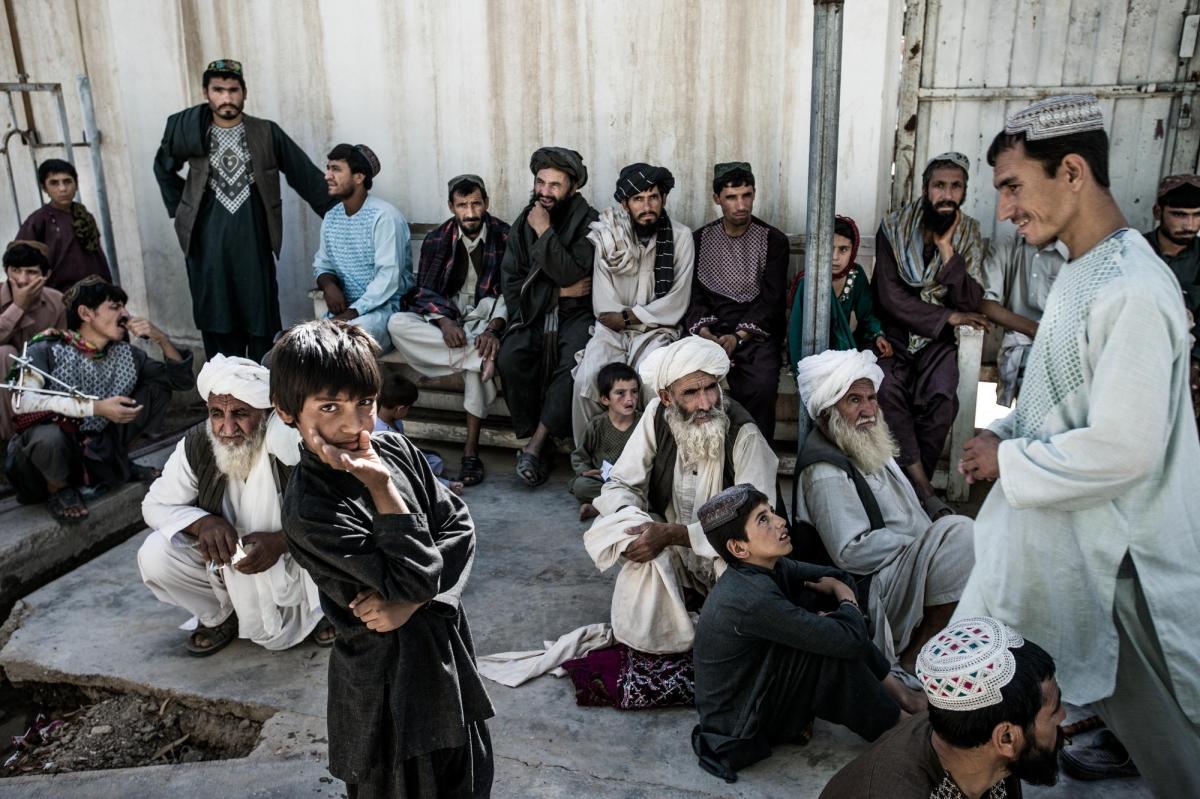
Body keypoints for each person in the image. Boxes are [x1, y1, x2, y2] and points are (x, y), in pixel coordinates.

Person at [958, 94, 1200, 796]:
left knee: (1180, 741)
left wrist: (1010, 460)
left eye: (1012, 186)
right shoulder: (1082, 270)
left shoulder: (1131, 285)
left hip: (1124, 562)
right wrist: (1001, 434)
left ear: (1070, 170)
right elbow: (1059, 407)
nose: (1004, 209)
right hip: (1071, 541)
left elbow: (1126, 447)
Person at [272, 320, 493, 798]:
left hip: (445, 659)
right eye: (330, 408)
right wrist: (382, 488)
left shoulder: (393, 448)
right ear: (287, 412)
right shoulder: (310, 509)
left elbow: (460, 528)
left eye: (365, 404)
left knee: (468, 782)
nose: (355, 426)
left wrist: (412, 604)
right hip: (385, 686)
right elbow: (416, 575)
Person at [691, 483, 916, 784]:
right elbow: (848, 630)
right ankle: (899, 728)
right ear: (738, 548)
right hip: (741, 728)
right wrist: (844, 599)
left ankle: (904, 696)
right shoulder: (749, 598)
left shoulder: (770, 565)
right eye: (763, 520)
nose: (779, 521)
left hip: (758, 689)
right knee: (825, 656)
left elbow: (836, 576)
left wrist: (837, 597)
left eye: (771, 512)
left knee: (824, 613)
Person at [582, 336, 778, 654]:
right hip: (680, 559)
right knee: (635, 535)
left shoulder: (744, 434)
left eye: (711, 388)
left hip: (727, 560)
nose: (705, 403)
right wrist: (635, 525)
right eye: (691, 392)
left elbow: (758, 526)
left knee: (745, 577)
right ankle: (655, 640)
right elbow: (620, 483)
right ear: (666, 397)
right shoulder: (658, 415)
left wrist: (676, 534)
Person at [795, 348, 974, 676]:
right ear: (827, 411)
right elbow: (850, 552)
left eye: (871, 398)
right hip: (872, 586)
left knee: (965, 540)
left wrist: (928, 541)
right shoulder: (825, 469)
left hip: (900, 565)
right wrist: (920, 542)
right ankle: (913, 656)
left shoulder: (863, 440)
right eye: (854, 400)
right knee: (960, 535)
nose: (869, 410)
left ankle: (940, 643)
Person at [138, 355, 330, 655]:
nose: (227, 429)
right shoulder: (198, 444)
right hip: (231, 564)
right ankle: (220, 616)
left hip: (297, 562)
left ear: (266, 412)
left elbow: (335, 513)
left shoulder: (290, 440)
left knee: (332, 544)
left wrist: (283, 542)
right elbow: (154, 505)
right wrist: (203, 523)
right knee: (155, 554)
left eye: (240, 413)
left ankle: (321, 613)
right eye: (217, 414)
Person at [153, 58, 332, 362]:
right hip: (207, 246)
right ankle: (223, 401)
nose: (226, 98)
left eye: (233, 90)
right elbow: (163, 167)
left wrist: (341, 215)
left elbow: (305, 176)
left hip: (252, 242)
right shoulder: (190, 130)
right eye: (218, 90)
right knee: (216, 319)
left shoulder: (265, 132)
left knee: (260, 318)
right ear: (206, 93)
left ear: (244, 93)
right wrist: (183, 210)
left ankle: (263, 398)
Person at [4, 277, 194, 523]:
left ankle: (116, 463)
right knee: (48, 436)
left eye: (124, 307)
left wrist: (161, 339)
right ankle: (59, 489)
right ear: (85, 313)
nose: (125, 313)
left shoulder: (127, 354)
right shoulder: (46, 348)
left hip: (97, 448)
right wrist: (96, 408)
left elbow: (180, 382)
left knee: (157, 389)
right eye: (115, 306)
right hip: (44, 461)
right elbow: (23, 402)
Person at [821, 617, 1064, 798]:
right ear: (1007, 737)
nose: (1062, 717)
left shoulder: (985, 756)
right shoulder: (891, 791)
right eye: (1054, 711)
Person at [873, 151, 987, 514]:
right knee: (887, 388)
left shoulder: (968, 234)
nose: (947, 194)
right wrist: (947, 317)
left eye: (956, 187)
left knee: (942, 396)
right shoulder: (892, 228)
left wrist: (945, 248)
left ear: (965, 192)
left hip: (937, 343)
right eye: (940, 185)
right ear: (925, 189)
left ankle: (911, 489)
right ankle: (923, 489)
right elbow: (889, 297)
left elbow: (970, 298)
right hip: (892, 335)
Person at [388, 174, 509, 486]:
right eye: (462, 205)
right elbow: (423, 292)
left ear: (486, 203)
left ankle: (470, 452)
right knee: (397, 323)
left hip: (485, 316)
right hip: (448, 317)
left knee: (482, 347)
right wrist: (443, 322)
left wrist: (493, 329)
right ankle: (475, 355)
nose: (470, 212)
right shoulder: (437, 239)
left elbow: (512, 293)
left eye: (476, 204)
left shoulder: (505, 237)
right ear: (451, 207)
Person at [571, 163, 694, 444]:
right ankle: (591, 457)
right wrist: (621, 321)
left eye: (653, 197)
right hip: (611, 332)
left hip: (656, 331)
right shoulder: (609, 237)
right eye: (638, 198)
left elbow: (677, 300)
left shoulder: (681, 237)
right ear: (626, 204)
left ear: (664, 199)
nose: (647, 205)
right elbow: (604, 305)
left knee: (650, 383)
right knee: (586, 381)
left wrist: (631, 317)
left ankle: (646, 462)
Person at [497, 147, 598, 486]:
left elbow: (573, 275)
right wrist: (557, 293)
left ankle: (535, 447)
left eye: (556, 185)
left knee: (573, 364)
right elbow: (512, 286)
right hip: (534, 314)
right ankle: (535, 442)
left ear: (572, 188)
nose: (545, 192)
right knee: (512, 355)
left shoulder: (588, 222)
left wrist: (544, 233)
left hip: (576, 315)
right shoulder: (524, 222)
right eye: (541, 182)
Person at [685, 162, 789, 439]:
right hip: (711, 329)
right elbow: (694, 295)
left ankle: (754, 456)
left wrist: (738, 337)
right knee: (690, 381)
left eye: (747, 195)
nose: (740, 204)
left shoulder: (773, 240)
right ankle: (703, 454)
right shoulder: (700, 240)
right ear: (717, 199)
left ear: (754, 194)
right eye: (731, 197)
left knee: (762, 383)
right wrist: (706, 333)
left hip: (755, 331)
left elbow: (772, 301)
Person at [313, 143, 412, 353]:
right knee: (307, 344)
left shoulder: (384, 217)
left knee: (341, 344)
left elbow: (388, 278)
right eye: (328, 168)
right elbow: (322, 264)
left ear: (359, 177)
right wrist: (329, 286)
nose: (327, 176)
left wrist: (350, 313)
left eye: (336, 169)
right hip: (348, 311)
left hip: (387, 311)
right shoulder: (331, 218)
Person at [786, 214, 892, 370]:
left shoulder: (856, 275)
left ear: (853, 250)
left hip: (843, 349)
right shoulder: (808, 281)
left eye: (843, 249)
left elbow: (867, 315)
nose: (835, 257)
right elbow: (796, 332)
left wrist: (878, 335)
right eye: (829, 248)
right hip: (811, 354)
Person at [978, 232, 1067, 405]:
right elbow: (985, 304)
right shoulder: (1007, 245)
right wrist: (1034, 329)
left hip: (1062, 349)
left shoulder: (1076, 250)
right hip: (1023, 347)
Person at [0, 242, 66, 440]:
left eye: (31, 272)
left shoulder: (56, 302)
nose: (22, 279)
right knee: (4, 354)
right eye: (16, 271)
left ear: (46, 275)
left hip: (38, 380)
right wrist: (18, 306)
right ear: (6, 271)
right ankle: (11, 442)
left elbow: (63, 354)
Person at [16, 158, 113, 292]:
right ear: (44, 188)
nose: (62, 189)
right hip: (59, 296)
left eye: (67, 181)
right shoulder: (38, 220)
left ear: (76, 184)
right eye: (54, 183)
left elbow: (98, 259)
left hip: (95, 293)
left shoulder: (84, 216)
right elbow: (19, 260)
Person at [569, 362, 641, 521]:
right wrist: (584, 470)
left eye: (634, 392)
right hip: (605, 482)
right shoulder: (596, 425)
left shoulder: (644, 423)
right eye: (620, 393)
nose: (629, 399)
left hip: (635, 483)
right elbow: (580, 454)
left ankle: (601, 507)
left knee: (645, 492)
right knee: (581, 486)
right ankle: (620, 506)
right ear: (605, 399)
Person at [374, 372, 463, 495]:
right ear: (400, 409)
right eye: (409, 408)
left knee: (435, 460)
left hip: (404, 457)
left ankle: (434, 477)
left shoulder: (394, 420)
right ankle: (442, 484)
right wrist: (447, 484)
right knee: (416, 475)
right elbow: (405, 468)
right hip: (394, 467)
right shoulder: (384, 434)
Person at [1145, 173, 1200, 364]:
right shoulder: (1133, 250)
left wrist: (1196, 363)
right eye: (1179, 214)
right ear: (1158, 212)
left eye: (1197, 215)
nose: (1190, 225)